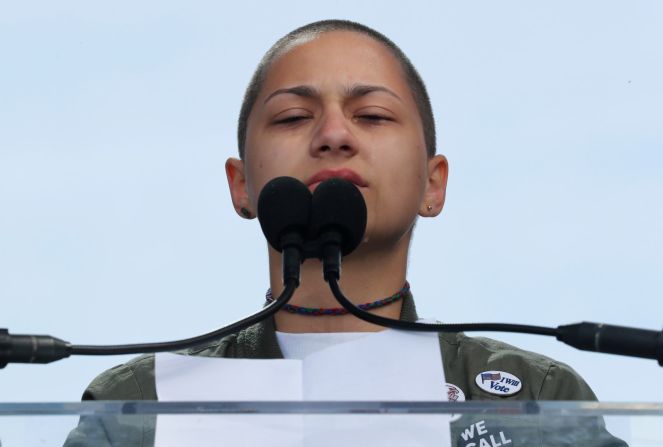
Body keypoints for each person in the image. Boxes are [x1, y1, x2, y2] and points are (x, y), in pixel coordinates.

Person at [65, 19, 624, 446]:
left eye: (373, 115)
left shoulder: (536, 399)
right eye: (291, 117)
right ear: (242, 185)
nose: (334, 135)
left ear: (434, 184)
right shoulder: (141, 407)